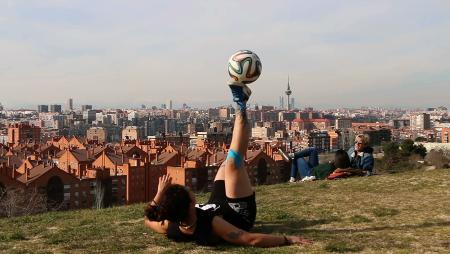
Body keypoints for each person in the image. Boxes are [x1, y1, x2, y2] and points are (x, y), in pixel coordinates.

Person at [144, 82, 312, 247]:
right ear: (190, 204)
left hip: (217, 202)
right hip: (238, 213)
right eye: (187, 191)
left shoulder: (171, 224)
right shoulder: (212, 223)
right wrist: (287, 239)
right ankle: (240, 103)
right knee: (232, 162)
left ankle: (242, 106)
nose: (189, 189)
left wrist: (159, 195)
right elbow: (248, 239)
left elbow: (148, 220)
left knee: (226, 163)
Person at [289, 148, 355, 182]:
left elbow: (319, 175)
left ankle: (292, 179)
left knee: (298, 158)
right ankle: (293, 155)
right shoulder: (336, 166)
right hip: (315, 168)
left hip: (309, 173)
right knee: (313, 150)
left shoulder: (330, 168)